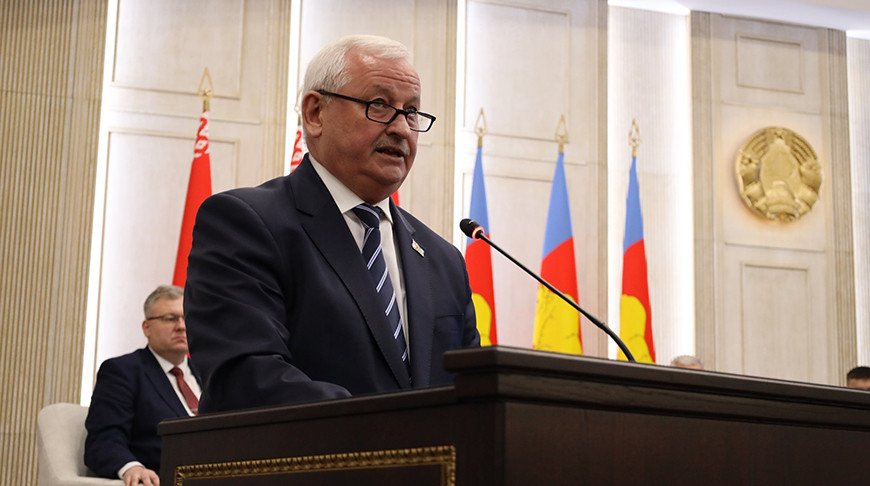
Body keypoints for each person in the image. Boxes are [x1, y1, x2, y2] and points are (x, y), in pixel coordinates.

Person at [184, 34, 480, 413]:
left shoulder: (443, 259)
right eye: (379, 105)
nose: (402, 129)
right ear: (315, 113)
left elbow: (470, 392)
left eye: (411, 112)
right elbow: (246, 377)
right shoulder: (246, 223)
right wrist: (394, 430)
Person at [85, 285, 201, 486]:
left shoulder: (209, 373)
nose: (181, 326)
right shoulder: (123, 371)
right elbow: (104, 439)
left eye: (187, 318)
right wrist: (132, 468)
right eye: (170, 318)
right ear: (147, 328)